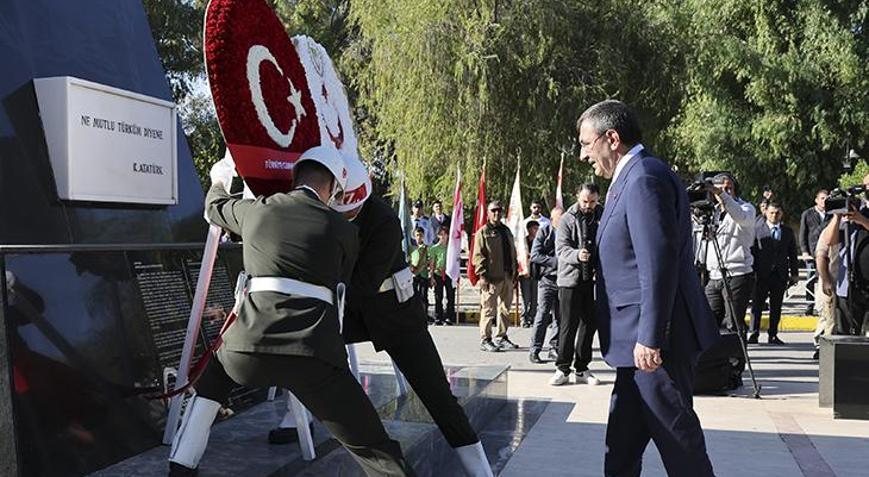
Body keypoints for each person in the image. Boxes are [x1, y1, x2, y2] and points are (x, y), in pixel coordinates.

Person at [168, 146, 414, 476]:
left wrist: (220, 179)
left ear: (296, 177)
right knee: (375, 448)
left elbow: (214, 207)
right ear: (333, 187)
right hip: (313, 356)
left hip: (247, 349)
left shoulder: (257, 210)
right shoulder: (344, 231)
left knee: (209, 387)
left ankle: (180, 466)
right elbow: (343, 286)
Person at [270, 157, 493, 475]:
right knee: (304, 346)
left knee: (437, 395)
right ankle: (298, 414)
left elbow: (361, 284)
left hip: (395, 315)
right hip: (348, 309)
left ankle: (480, 470)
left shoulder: (384, 221)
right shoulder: (321, 211)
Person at [578, 99, 718, 477]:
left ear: (612, 138)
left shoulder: (643, 178)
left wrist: (651, 337)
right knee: (620, 452)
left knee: (680, 446)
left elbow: (658, 263)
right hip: (634, 346)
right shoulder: (633, 176)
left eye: (587, 144)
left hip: (654, 348)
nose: (583, 155)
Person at [550, 184, 602, 386]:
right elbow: (561, 249)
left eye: (592, 202)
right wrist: (577, 255)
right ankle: (562, 368)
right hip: (570, 280)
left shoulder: (602, 215)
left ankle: (582, 367)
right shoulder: (567, 219)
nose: (588, 206)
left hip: (593, 280)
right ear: (577, 197)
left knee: (590, 324)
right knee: (568, 325)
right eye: (585, 201)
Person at [702, 172, 757, 334]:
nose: (725, 192)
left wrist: (721, 194)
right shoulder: (712, 212)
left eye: (729, 189)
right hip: (714, 275)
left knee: (733, 324)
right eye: (720, 189)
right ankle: (715, 352)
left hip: (737, 274)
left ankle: (737, 351)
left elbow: (740, 217)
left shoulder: (746, 208)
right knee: (708, 324)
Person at [817, 177, 869, 336]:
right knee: (846, 336)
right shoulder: (855, 207)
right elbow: (829, 241)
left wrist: (861, 220)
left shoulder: (860, 214)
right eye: (866, 185)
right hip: (850, 284)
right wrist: (837, 215)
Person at [749, 202, 799, 344]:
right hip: (761, 274)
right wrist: (752, 272)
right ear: (766, 213)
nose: (774, 215)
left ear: (781, 214)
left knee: (776, 306)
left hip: (779, 274)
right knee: (757, 305)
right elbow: (752, 251)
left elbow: (792, 254)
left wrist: (794, 273)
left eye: (777, 213)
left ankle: (773, 334)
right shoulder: (757, 230)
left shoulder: (787, 232)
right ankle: (754, 333)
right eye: (771, 212)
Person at [473, 200, 520, 352]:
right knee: (488, 309)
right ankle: (485, 339)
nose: (496, 213)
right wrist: (482, 276)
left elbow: (512, 252)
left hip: (507, 275)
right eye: (493, 210)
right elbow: (478, 256)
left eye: (499, 210)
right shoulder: (483, 232)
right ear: (488, 213)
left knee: (505, 309)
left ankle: (501, 336)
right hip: (491, 277)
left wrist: (515, 272)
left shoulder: (506, 231)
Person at [528, 208, 563, 363]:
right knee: (542, 315)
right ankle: (535, 350)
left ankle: (554, 348)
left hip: (563, 280)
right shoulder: (544, 232)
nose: (562, 221)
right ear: (552, 219)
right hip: (547, 280)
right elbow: (535, 255)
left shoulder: (568, 231)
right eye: (559, 218)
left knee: (560, 317)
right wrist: (555, 262)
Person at [799, 189, 829, 315]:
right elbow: (803, 233)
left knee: (826, 278)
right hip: (812, 251)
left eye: (826, 199)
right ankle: (809, 305)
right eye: (822, 198)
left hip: (827, 252)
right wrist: (804, 251)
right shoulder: (808, 214)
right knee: (810, 278)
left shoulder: (832, 214)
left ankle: (826, 305)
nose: (824, 201)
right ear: (816, 200)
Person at [814, 228, 840, 359]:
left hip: (853, 285)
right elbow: (820, 257)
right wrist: (826, 280)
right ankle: (822, 348)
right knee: (828, 319)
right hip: (832, 281)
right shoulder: (830, 231)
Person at [430, 225, 456, 325]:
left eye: (445, 234)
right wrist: (432, 277)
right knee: (438, 296)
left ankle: (449, 316)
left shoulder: (451, 248)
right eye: (441, 234)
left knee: (450, 296)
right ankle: (438, 316)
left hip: (449, 274)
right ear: (438, 235)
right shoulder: (434, 248)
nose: (443, 236)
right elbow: (432, 264)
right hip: (438, 273)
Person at [518, 220, 540, 328]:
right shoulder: (523, 242)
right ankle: (524, 318)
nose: (537, 231)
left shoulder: (538, 242)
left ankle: (532, 317)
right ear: (529, 229)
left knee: (535, 298)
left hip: (535, 273)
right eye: (535, 228)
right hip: (525, 273)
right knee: (526, 298)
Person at [409, 227, 432, 321]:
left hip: (423, 275)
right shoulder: (411, 248)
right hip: (413, 275)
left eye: (421, 235)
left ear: (423, 236)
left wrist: (425, 267)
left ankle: (424, 315)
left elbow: (429, 260)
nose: (419, 237)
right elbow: (408, 260)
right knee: (413, 296)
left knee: (424, 296)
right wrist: (411, 267)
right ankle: (413, 315)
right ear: (414, 236)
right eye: (417, 235)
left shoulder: (426, 248)